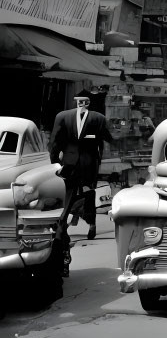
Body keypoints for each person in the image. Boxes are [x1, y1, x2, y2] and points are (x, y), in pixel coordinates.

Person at [50, 90, 113, 241]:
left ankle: (63, 226)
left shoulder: (62, 116)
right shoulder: (99, 118)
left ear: (76, 101)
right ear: (88, 103)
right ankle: (90, 224)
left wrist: (55, 163)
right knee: (88, 193)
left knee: (70, 194)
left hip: (70, 162)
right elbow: (108, 138)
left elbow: (54, 142)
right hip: (88, 162)